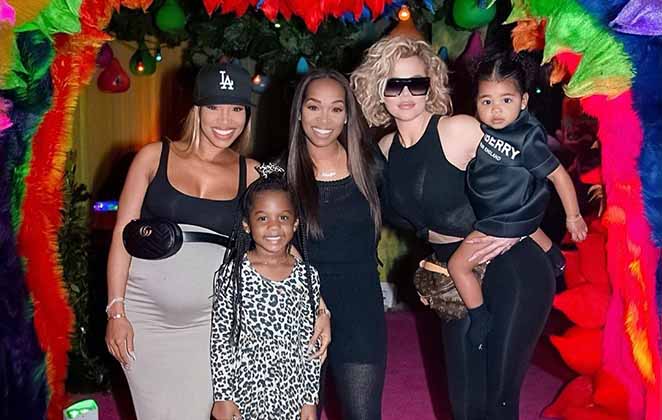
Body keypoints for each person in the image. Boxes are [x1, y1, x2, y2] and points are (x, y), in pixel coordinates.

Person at [104, 62, 330, 420]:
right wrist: (116, 311)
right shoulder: (152, 157)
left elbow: (281, 239)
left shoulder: (252, 172)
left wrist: (319, 307)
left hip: (210, 323)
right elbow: (121, 235)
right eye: (214, 107)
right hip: (144, 317)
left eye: (236, 109)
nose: (226, 120)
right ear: (196, 109)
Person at [351, 36, 556, 419]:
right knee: (464, 403)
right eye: (394, 84)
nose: (406, 94)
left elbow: (530, 171)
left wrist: (525, 231)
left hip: (511, 263)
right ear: (377, 89)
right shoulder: (385, 151)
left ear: (430, 86)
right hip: (454, 276)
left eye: (416, 83)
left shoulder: (458, 129)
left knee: (499, 398)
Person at [446, 51, 588, 349]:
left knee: (458, 266)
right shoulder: (480, 129)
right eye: (487, 102)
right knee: (527, 224)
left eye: (506, 100)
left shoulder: (526, 139)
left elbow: (559, 176)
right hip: (509, 209)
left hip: (501, 219)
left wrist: (573, 217)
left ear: (523, 101)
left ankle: (479, 316)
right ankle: (553, 255)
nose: (496, 110)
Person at [283, 69, 387, 420]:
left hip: (361, 305)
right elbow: (271, 243)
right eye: (313, 107)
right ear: (299, 112)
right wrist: (315, 303)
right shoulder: (280, 174)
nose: (324, 119)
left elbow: (416, 208)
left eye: (336, 108)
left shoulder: (371, 166)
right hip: (300, 305)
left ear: (347, 115)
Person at [210, 166, 320, 420]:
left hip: (291, 393)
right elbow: (221, 339)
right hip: (245, 392)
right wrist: (223, 396)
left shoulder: (307, 276)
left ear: (295, 223)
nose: (274, 227)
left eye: (283, 218)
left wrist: (309, 400)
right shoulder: (233, 274)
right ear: (246, 225)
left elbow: (310, 342)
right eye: (262, 218)